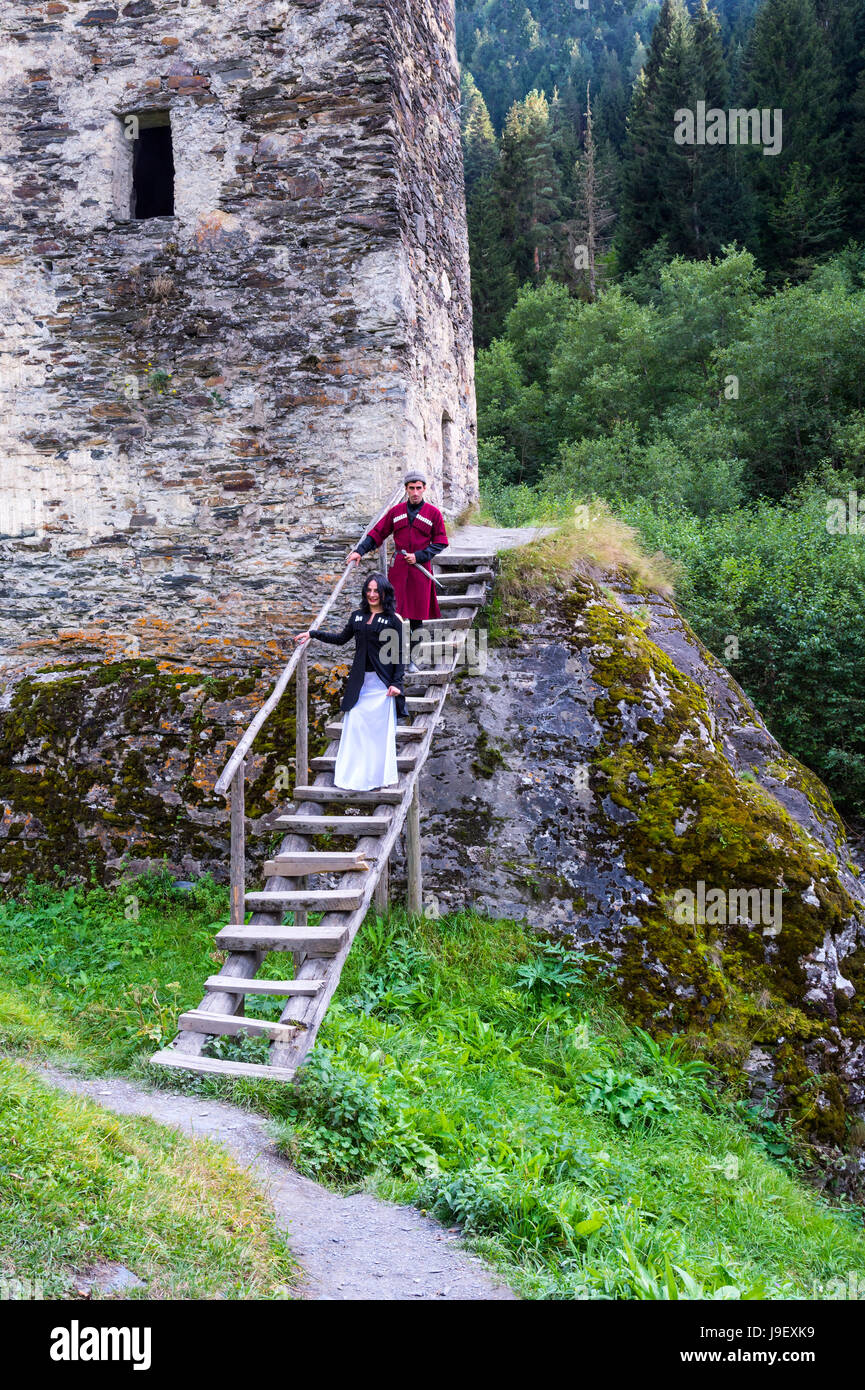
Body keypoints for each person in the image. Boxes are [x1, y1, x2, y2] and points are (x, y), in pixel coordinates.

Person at [294, 573, 406, 791]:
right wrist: (313, 634)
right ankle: (354, 777)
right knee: (355, 727)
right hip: (360, 685)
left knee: (378, 733)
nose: (372, 594)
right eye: (369, 590)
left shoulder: (394, 620)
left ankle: (378, 779)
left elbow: (399, 654)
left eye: (377, 591)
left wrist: (397, 684)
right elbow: (340, 639)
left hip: (382, 687)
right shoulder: (357, 617)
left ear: (384, 593)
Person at [346, 471, 448, 670]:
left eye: (419, 488)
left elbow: (441, 541)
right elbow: (377, 533)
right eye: (412, 488)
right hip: (399, 569)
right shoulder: (397, 512)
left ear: (424, 488)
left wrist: (419, 555)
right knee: (395, 614)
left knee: (417, 618)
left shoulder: (433, 513)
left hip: (420, 570)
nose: (415, 492)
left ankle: (412, 660)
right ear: (406, 489)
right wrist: (359, 551)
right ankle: (395, 660)